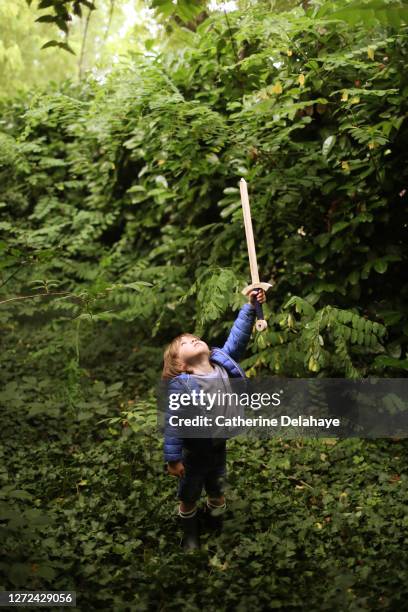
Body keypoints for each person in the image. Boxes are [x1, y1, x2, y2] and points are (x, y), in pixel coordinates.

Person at [161, 289, 266, 551]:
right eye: (186, 343)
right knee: (190, 491)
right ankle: (190, 533)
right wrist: (173, 458)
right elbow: (173, 423)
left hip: (218, 444)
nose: (194, 340)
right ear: (181, 365)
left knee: (217, 486)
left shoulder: (221, 363)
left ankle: (215, 523)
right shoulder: (182, 385)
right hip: (194, 451)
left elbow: (238, 338)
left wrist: (250, 308)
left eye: (195, 338)